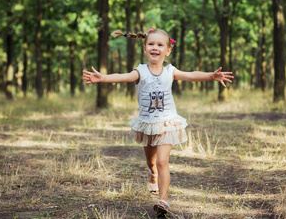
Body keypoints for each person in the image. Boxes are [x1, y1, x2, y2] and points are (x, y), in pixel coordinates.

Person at [83, 29, 233, 217]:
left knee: (163, 161)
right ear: (145, 48)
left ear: (167, 51)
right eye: (151, 44)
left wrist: (211, 76)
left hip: (166, 123)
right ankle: (152, 173)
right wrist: (103, 78)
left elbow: (191, 74)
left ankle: (163, 201)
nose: (155, 47)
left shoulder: (170, 71)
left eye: (160, 45)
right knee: (151, 161)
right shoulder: (140, 71)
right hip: (147, 123)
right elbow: (122, 77)